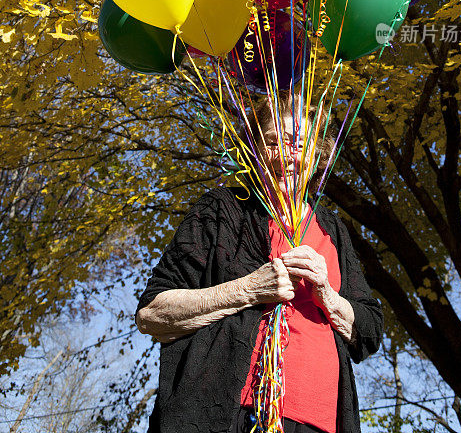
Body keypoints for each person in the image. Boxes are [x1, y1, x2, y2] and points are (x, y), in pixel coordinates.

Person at [135, 92, 384, 433]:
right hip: (225, 414)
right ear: (256, 150)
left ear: (318, 154)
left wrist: (326, 294)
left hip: (320, 421)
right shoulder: (222, 209)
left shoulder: (334, 230)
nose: (286, 154)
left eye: (298, 144)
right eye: (273, 141)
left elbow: (369, 331)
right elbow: (152, 315)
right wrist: (249, 289)